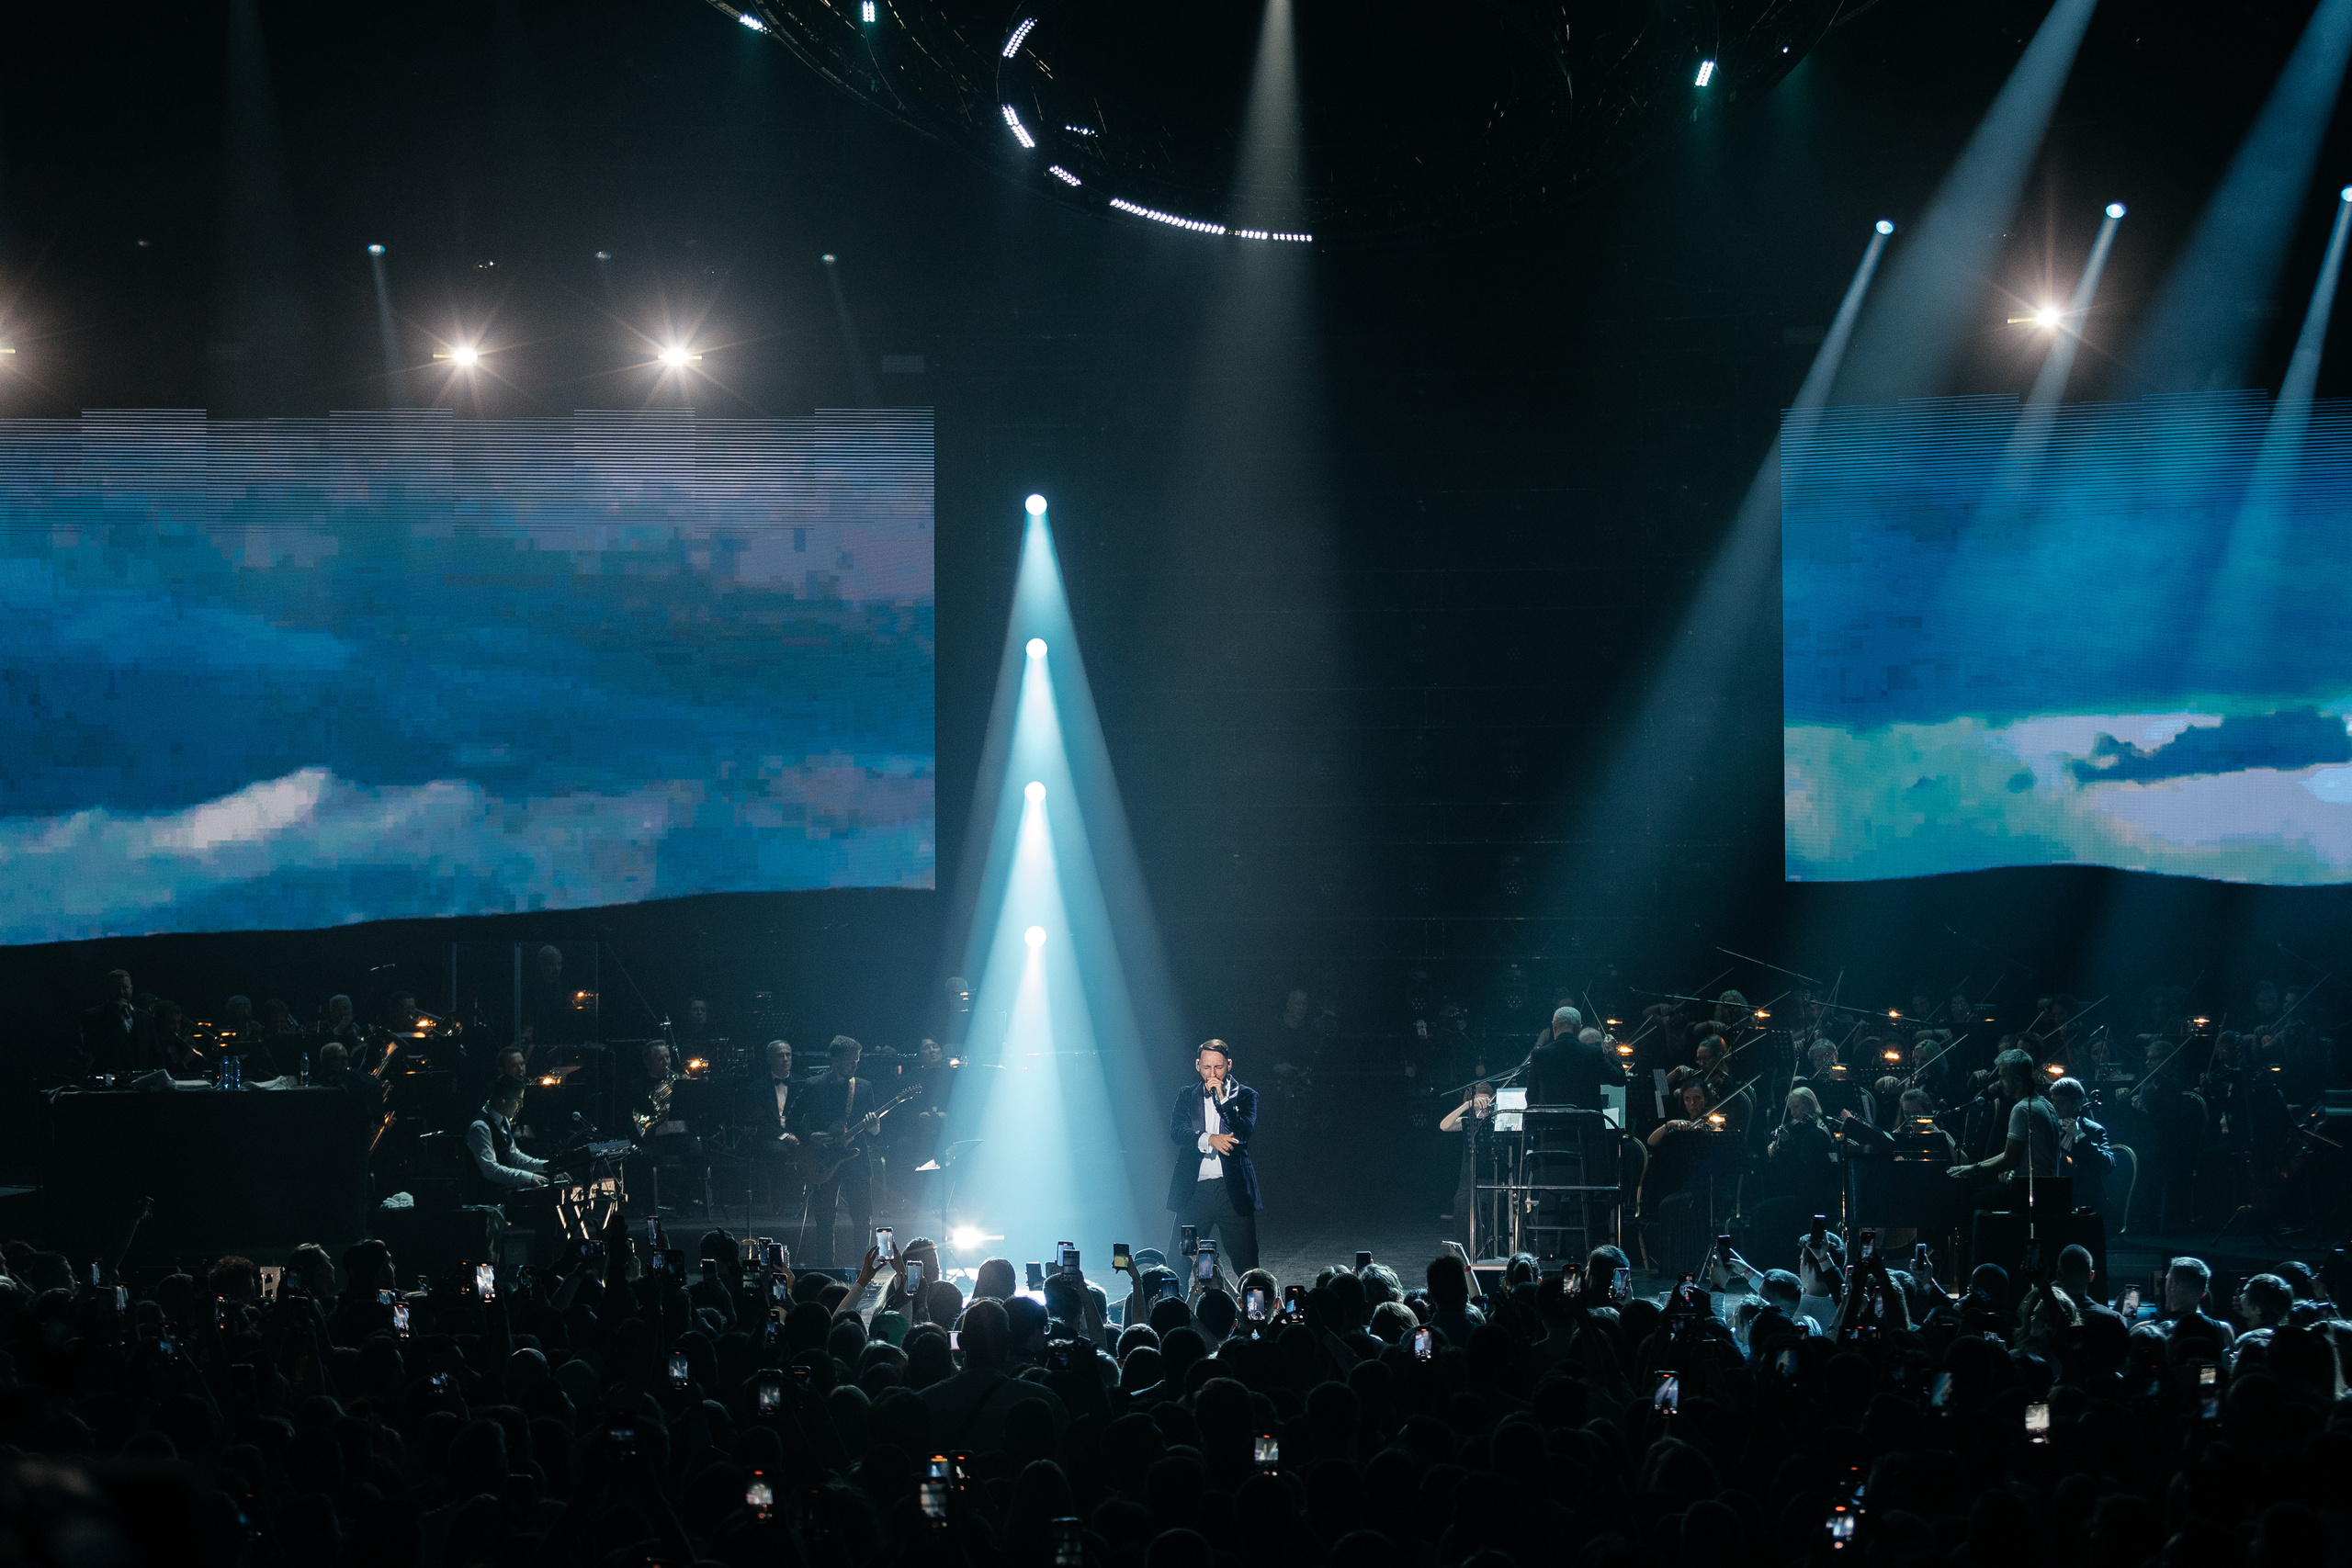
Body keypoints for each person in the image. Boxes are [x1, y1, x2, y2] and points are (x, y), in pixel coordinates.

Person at [1167, 1039, 1261, 1275]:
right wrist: (1210, 1139)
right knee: (1178, 1260)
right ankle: (1175, 1298)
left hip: (1232, 1191)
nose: (1212, 1074)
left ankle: (1252, 1300)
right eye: (1207, 1067)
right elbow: (1177, 1132)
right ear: (1197, 1065)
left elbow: (1243, 1132)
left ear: (1229, 1065)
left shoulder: (1246, 1096)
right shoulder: (1187, 1095)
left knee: (1247, 1264)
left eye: (1218, 1067)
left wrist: (1223, 1101)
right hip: (1194, 1191)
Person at [789, 1035, 881, 1268]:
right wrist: (810, 1136)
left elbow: (875, 1131)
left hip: (856, 1158)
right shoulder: (813, 1085)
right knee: (824, 1218)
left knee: (862, 1216)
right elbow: (791, 1119)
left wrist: (873, 1125)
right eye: (850, 1062)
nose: (855, 1066)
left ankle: (863, 1269)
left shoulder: (863, 1087)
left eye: (857, 1061)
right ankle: (826, 1269)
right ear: (835, 1059)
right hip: (824, 1158)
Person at [1947, 1047, 2059, 1193]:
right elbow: (2010, 1152)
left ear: (2018, 1079)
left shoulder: (2022, 1109)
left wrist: (1973, 1169)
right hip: (2047, 1189)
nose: (1999, 1083)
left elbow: (2010, 1160)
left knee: (1970, 1199)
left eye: (2003, 1077)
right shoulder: (2045, 1104)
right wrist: (1974, 1166)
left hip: (2029, 1192)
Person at [464, 1079, 561, 1197]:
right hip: (485, 1196)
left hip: (502, 1191)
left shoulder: (503, 1121)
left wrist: (549, 1166)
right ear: (502, 1100)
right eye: (518, 1100)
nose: (521, 1105)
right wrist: (529, 1177)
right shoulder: (480, 1127)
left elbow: (515, 1158)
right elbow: (490, 1170)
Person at [80, 969, 159, 1077]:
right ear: (108, 990)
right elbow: (94, 1048)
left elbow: (154, 1051)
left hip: (140, 1079)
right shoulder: (92, 1016)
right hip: (109, 1078)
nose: (121, 992)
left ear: (131, 989)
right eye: (116, 988)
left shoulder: (144, 1016)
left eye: (125, 988)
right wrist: (114, 1015)